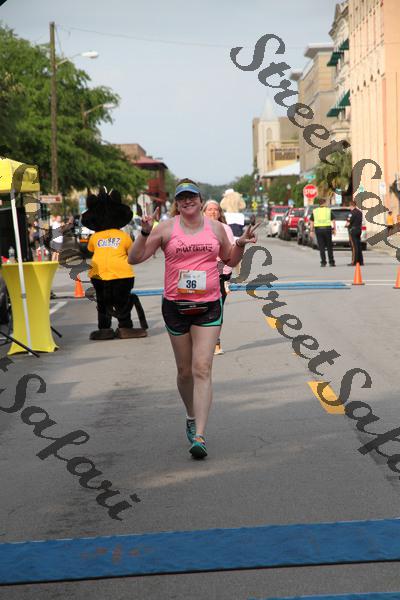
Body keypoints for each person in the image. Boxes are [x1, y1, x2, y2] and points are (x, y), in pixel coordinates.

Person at [128, 178, 259, 459]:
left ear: (200, 200)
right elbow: (134, 258)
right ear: (177, 203)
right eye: (182, 198)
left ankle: (199, 435)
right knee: (184, 371)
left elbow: (230, 259)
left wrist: (240, 243)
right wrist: (144, 232)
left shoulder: (215, 228)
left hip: (208, 304)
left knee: (202, 368)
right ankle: (190, 415)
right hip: (175, 306)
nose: (187, 201)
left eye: (192, 197)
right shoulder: (165, 229)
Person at [83, 188, 147, 340]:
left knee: (102, 302)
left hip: (99, 275)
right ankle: (125, 327)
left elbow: (90, 249)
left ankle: (104, 328)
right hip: (122, 274)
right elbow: (131, 252)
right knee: (122, 301)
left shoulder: (95, 237)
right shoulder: (123, 236)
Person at [202, 199, 234, 356]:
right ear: (203, 212)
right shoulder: (196, 227)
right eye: (209, 209)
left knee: (217, 309)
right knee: (199, 309)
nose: (213, 212)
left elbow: (230, 251)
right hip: (199, 274)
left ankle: (215, 342)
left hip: (220, 274)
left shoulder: (225, 228)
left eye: (216, 209)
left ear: (220, 213)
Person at [310, 198, 336, 267]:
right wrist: (334, 229)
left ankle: (323, 262)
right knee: (329, 246)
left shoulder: (315, 211)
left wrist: (311, 231)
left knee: (321, 247)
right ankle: (331, 262)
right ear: (324, 203)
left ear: (319, 204)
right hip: (327, 229)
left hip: (318, 230)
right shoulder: (328, 210)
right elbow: (333, 220)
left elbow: (312, 221)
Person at [346, 199, 364, 266]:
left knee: (354, 247)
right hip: (359, 230)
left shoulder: (351, 213)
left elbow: (348, 222)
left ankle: (354, 261)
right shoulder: (360, 212)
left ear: (351, 205)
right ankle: (360, 261)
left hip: (353, 231)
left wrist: (346, 225)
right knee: (358, 245)